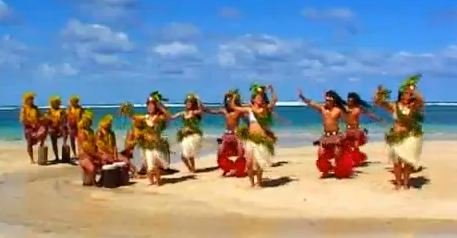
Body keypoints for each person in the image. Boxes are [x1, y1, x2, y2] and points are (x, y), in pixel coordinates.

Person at [374, 74, 424, 190]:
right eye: (405, 93)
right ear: (400, 94)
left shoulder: (413, 106)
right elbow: (379, 103)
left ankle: (406, 183)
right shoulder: (394, 106)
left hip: (409, 137)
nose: (407, 95)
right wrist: (378, 93)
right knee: (396, 163)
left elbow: (421, 101)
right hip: (396, 136)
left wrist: (412, 88)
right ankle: (398, 183)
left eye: (409, 94)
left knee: (407, 162)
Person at [230, 83, 278, 187]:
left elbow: (274, 100)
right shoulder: (249, 110)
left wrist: (272, 90)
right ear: (253, 100)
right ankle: (252, 183)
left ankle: (259, 182)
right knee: (249, 163)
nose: (259, 99)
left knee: (259, 164)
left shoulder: (266, 109)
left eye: (261, 97)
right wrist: (234, 96)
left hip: (262, 140)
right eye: (257, 97)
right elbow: (233, 106)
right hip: (251, 140)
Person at [298, 89, 353, 179]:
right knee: (321, 154)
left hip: (336, 136)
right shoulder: (322, 108)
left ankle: (339, 171)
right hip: (326, 136)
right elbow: (311, 103)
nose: (326, 101)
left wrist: (347, 132)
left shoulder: (338, 110)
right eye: (326, 99)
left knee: (337, 154)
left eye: (329, 100)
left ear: (333, 100)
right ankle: (326, 170)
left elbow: (347, 120)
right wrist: (302, 97)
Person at [205, 89, 247, 177]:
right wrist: (203, 108)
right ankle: (228, 168)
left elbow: (247, 119)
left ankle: (239, 169)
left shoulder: (239, 111)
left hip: (237, 134)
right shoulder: (224, 111)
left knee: (240, 152)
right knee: (220, 152)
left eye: (230, 101)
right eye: (227, 101)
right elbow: (213, 111)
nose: (228, 103)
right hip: (226, 135)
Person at [136, 91, 171, 185]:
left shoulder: (160, 117)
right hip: (148, 146)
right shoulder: (146, 117)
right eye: (148, 105)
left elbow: (169, 117)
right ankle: (153, 181)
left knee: (156, 165)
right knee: (150, 168)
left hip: (158, 145)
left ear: (156, 106)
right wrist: (128, 112)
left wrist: (161, 107)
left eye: (152, 105)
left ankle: (158, 181)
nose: (150, 107)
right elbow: (135, 118)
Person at [344, 92, 381, 166]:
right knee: (346, 147)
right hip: (347, 130)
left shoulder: (359, 108)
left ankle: (356, 161)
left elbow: (369, 114)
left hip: (356, 130)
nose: (349, 101)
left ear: (354, 101)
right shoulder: (345, 108)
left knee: (356, 146)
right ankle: (353, 159)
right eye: (348, 100)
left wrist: (377, 118)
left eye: (351, 100)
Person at [172, 93, 204, 173]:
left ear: (193, 104)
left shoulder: (195, 112)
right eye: (187, 103)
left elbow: (201, 110)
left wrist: (198, 99)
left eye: (190, 103)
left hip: (193, 136)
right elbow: (172, 117)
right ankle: (190, 168)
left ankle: (193, 168)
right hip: (185, 136)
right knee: (184, 156)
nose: (188, 104)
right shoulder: (183, 113)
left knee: (190, 155)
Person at [19, 92, 48, 164]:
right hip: (28, 128)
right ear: (26, 100)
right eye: (30, 99)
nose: (32, 100)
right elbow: (22, 120)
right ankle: (32, 159)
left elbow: (40, 116)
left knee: (45, 129)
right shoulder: (24, 108)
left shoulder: (35, 107)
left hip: (36, 127)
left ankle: (41, 145)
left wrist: (45, 118)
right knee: (29, 143)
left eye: (32, 99)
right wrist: (30, 123)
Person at [77, 111, 101, 186]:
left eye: (91, 121)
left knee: (103, 163)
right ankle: (94, 183)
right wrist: (96, 155)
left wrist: (98, 151)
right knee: (92, 168)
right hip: (84, 156)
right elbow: (86, 148)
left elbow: (94, 143)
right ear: (86, 122)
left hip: (92, 155)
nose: (91, 122)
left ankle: (101, 180)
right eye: (90, 121)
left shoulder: (91, 131)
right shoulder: (82, 133)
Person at [45, 96, 68, 162]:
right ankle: (57, 157)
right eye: (55, 102)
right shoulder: (49, 111)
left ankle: (64, 143)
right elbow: (46, 120)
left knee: (65, 129)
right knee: (54, 142)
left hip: (60, 127)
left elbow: (64, 121)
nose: (57, 104)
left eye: (58, 102)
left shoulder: (61, 111)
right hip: (52, 128)